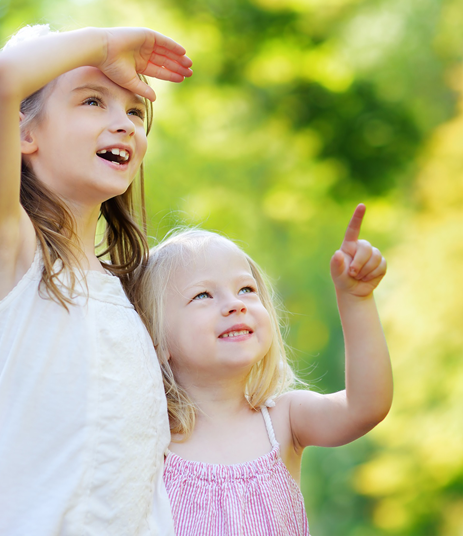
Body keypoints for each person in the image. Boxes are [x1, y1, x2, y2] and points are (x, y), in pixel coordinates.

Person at [0, 24, 192, 536]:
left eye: (134, 111)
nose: (124, 124)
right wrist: (105, 45)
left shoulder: (128, 294)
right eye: (91, 102)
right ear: (24, 133)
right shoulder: (11, 250)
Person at [134, 204, 393, 535]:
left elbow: (366, 407)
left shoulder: (284, 420)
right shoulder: (152, 442)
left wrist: (356, 300)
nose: (236, 303)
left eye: (246, 289)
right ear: (158, 342)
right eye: (203, 295)